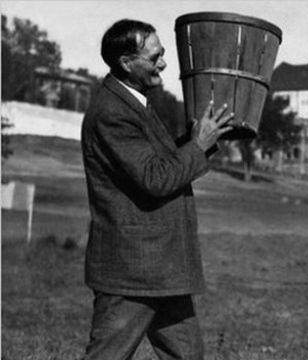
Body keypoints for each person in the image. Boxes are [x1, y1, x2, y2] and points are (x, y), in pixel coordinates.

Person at [81, 19, 233, 359]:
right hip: (132, 269)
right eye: (154, 57)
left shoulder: (133, 102)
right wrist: (198, 145)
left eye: (162, 54)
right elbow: (155, 178)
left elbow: (158, 163)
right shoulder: (111, 112)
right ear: (126, 62)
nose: (163, 64)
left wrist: (200, 140)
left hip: (161, 266)